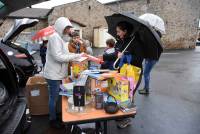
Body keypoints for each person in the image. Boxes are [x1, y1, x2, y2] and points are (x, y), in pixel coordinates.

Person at [43, 17, 85, 129]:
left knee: (58, 96)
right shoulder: (54, 37)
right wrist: (76, 56)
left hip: (57, 73)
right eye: (67, 28)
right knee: (53, 97)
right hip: (53, 74)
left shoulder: (61, 38)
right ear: (61, 27)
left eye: (69, 28)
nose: (69, 30)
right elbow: (58, 57)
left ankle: (57, 115)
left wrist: (78, 54)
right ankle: (52, 120)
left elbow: (66, 53)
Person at [138, 30, 162, 95]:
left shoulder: (153, 41)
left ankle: (146, 89)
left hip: (151, 59)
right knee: (146, 73)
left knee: (146, 73)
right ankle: (145, 88)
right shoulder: (157, 41)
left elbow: (149, 50)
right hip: (152, 58)